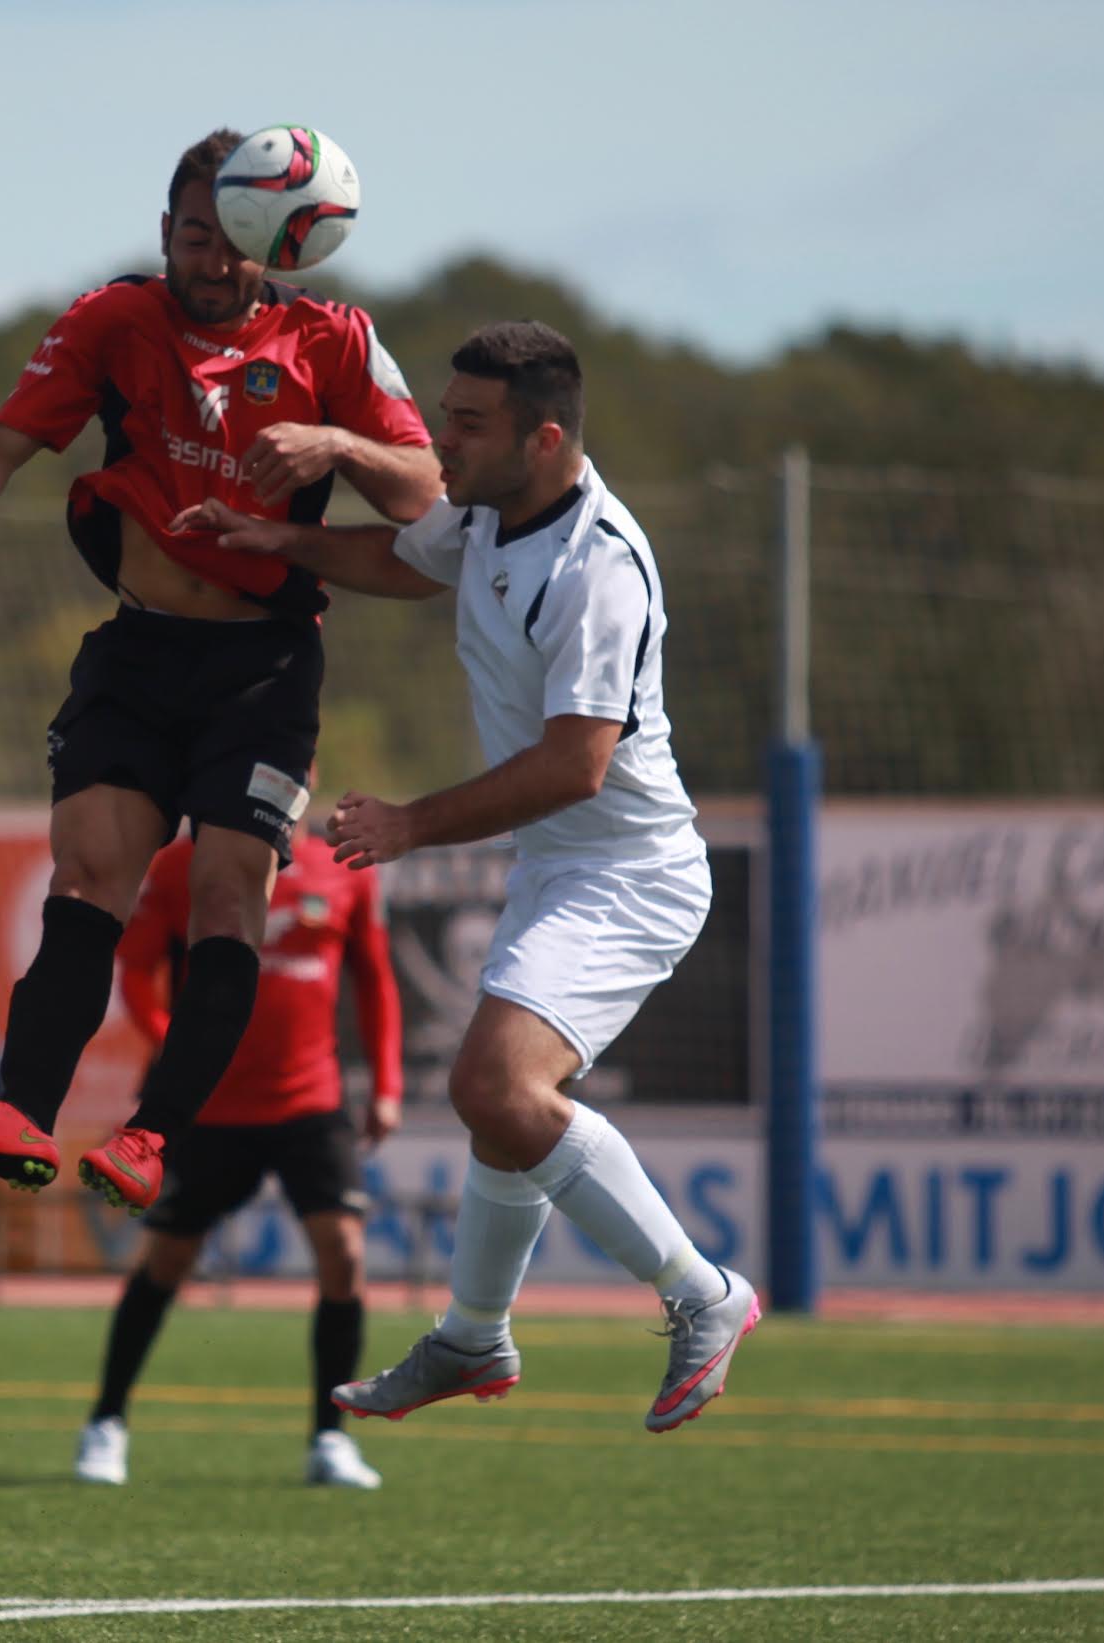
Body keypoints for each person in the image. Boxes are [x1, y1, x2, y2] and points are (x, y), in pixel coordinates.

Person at [170, 321, 758, 1433]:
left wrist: (411, 823)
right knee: (501, 1112)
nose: (443, 440)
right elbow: (403, 561)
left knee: (495, 1087)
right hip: (560, 864)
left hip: (629, 872)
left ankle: (704, 1292)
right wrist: (274, 539)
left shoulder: (599, 568)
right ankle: (473, 1334)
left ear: (544, 439)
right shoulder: (490, 508)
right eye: (445, 415)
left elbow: (577, 765)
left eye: (469, 424)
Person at [0, 128, 441, 1216]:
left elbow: (426, 497)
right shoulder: (112, 321)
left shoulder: (333, 341)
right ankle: (20, 1110)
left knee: (227, 893)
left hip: (263, 666)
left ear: (281, 244)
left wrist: (336, 447)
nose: (216, 261)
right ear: (166, 231)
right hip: (140, 649)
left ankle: (155, 1137)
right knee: (87, 873)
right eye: (197, 236)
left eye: (239, 241)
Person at [74, 807, 404, 1490]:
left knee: (344, 1254)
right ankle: (106, 1422)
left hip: (311, 1101)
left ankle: (329, 1438)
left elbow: (375, 979)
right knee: (168, 1258)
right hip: (211, 1107)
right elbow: (134, 969)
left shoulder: (343, 870)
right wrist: (177, 1047)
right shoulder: (180, 866)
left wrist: (387, 1084)